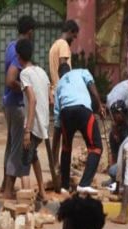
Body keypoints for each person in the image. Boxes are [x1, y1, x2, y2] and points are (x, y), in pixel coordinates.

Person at [54, 63, 106, 195]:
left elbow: (57, 117)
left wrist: (55, 154)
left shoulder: (59, 85)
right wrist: (99, 105)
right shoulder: (82, 72)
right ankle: (84, 184)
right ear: (70, 70)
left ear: (60, 75)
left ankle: (65, 186)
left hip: (66, 113)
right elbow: (91, 85)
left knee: (66, 148)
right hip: (83, 110)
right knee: (96, 147)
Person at [2, 15, 36, 200]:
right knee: (16, 148)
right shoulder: (19, 51)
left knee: (10, 145)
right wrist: (23, 88)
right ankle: (8, 190)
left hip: (8, 103)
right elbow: (10, 80)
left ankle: (3, 185)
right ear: (29, 31)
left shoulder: (9, 46)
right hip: (16, 105)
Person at [16, 39, 51, 202]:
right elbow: (51, 99)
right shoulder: (42, 72)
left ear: (19, 57)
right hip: (43, 124)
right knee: (33, 156)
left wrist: (27, 130)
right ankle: (42, 193)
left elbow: (32, 100)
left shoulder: (24, 74)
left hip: (34, 126)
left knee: (24, 166)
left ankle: (26, 204)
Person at [49, 20, 80, 171]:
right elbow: (63, 66)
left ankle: (55, 162)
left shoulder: (54, 45)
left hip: (56, 91)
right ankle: (59, 164)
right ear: (69, 31)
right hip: (63, 92)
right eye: (73, 36)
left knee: (58, 129)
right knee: (63, 130)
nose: (73, 41)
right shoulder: (63, 45)